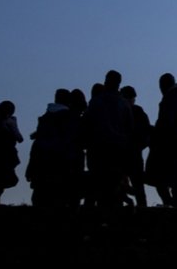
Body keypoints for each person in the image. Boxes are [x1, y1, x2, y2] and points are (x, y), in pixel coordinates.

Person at [84, 70, 134, 210]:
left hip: (98, 149)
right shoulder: (124, 104)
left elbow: (90, 126)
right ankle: (115, 215)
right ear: (119, 84)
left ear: (106, 82)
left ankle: (96, 216)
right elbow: (130, 129)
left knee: (96, 185)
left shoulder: (95, 102)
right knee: (115, 186)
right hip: (119, 150)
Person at [146, 73, 177, 208]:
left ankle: (176, 209)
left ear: (163, 86)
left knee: (175, 178)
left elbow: (167, 124)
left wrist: (156, 137)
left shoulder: (168, 101)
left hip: (173, 144)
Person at [26, 89, 79, 206]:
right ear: (69, 101)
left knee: (43, 191)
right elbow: (71, 137)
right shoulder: (70, 117)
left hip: (45, 159)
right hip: (65, 159)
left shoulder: (45, 117)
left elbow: (39, 141)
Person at [120, 86, 152, 207]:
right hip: (126, 154)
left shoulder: (137, 112)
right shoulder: (135, 112)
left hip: (132, 154)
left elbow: (146, 133)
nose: (128, 100)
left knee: (137, 187)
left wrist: (138, 146)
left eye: (130, 97)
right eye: (126, 97)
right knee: (122, 187)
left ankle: (141, 211)